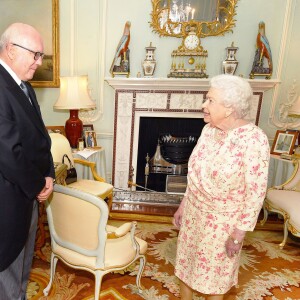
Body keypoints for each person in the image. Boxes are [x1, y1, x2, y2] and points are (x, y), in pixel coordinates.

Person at [173, 74, 270, 300]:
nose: (203, 105)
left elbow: (256, 193)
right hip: (194, 214)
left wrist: (238, 234)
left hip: (222, 224)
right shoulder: (209, 130)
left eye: (210, 100)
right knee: (186, 270)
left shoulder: (254, 140)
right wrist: (183, 205)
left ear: (229, 108)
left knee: (214, 280)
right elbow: (196, 173)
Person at [0, 23, 55, 299]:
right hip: (7, 203)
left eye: (40, 55)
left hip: (28, 195)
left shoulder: (23, 86)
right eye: (35, 54)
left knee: (22, 271)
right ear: (10, 50)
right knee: (7, 275)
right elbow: (9, 153)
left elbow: (40, 138)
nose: (39, 62)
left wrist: (49, 175)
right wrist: (38, 184)